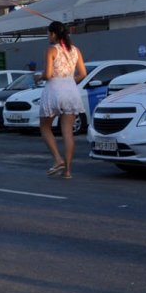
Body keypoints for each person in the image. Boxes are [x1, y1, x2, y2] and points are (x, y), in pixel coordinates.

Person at [39, 21, 87, 178]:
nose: (48, 37)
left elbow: (47, 74)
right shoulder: (76, 50)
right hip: (71, 90)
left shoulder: (51, 50)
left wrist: (38, 77)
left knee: (45, 127)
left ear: (53, 34)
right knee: (68, 133)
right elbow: (83, 74)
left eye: (48, 33)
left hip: (54, 90)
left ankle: (58, 159)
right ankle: (67, 171)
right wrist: (69, 81)